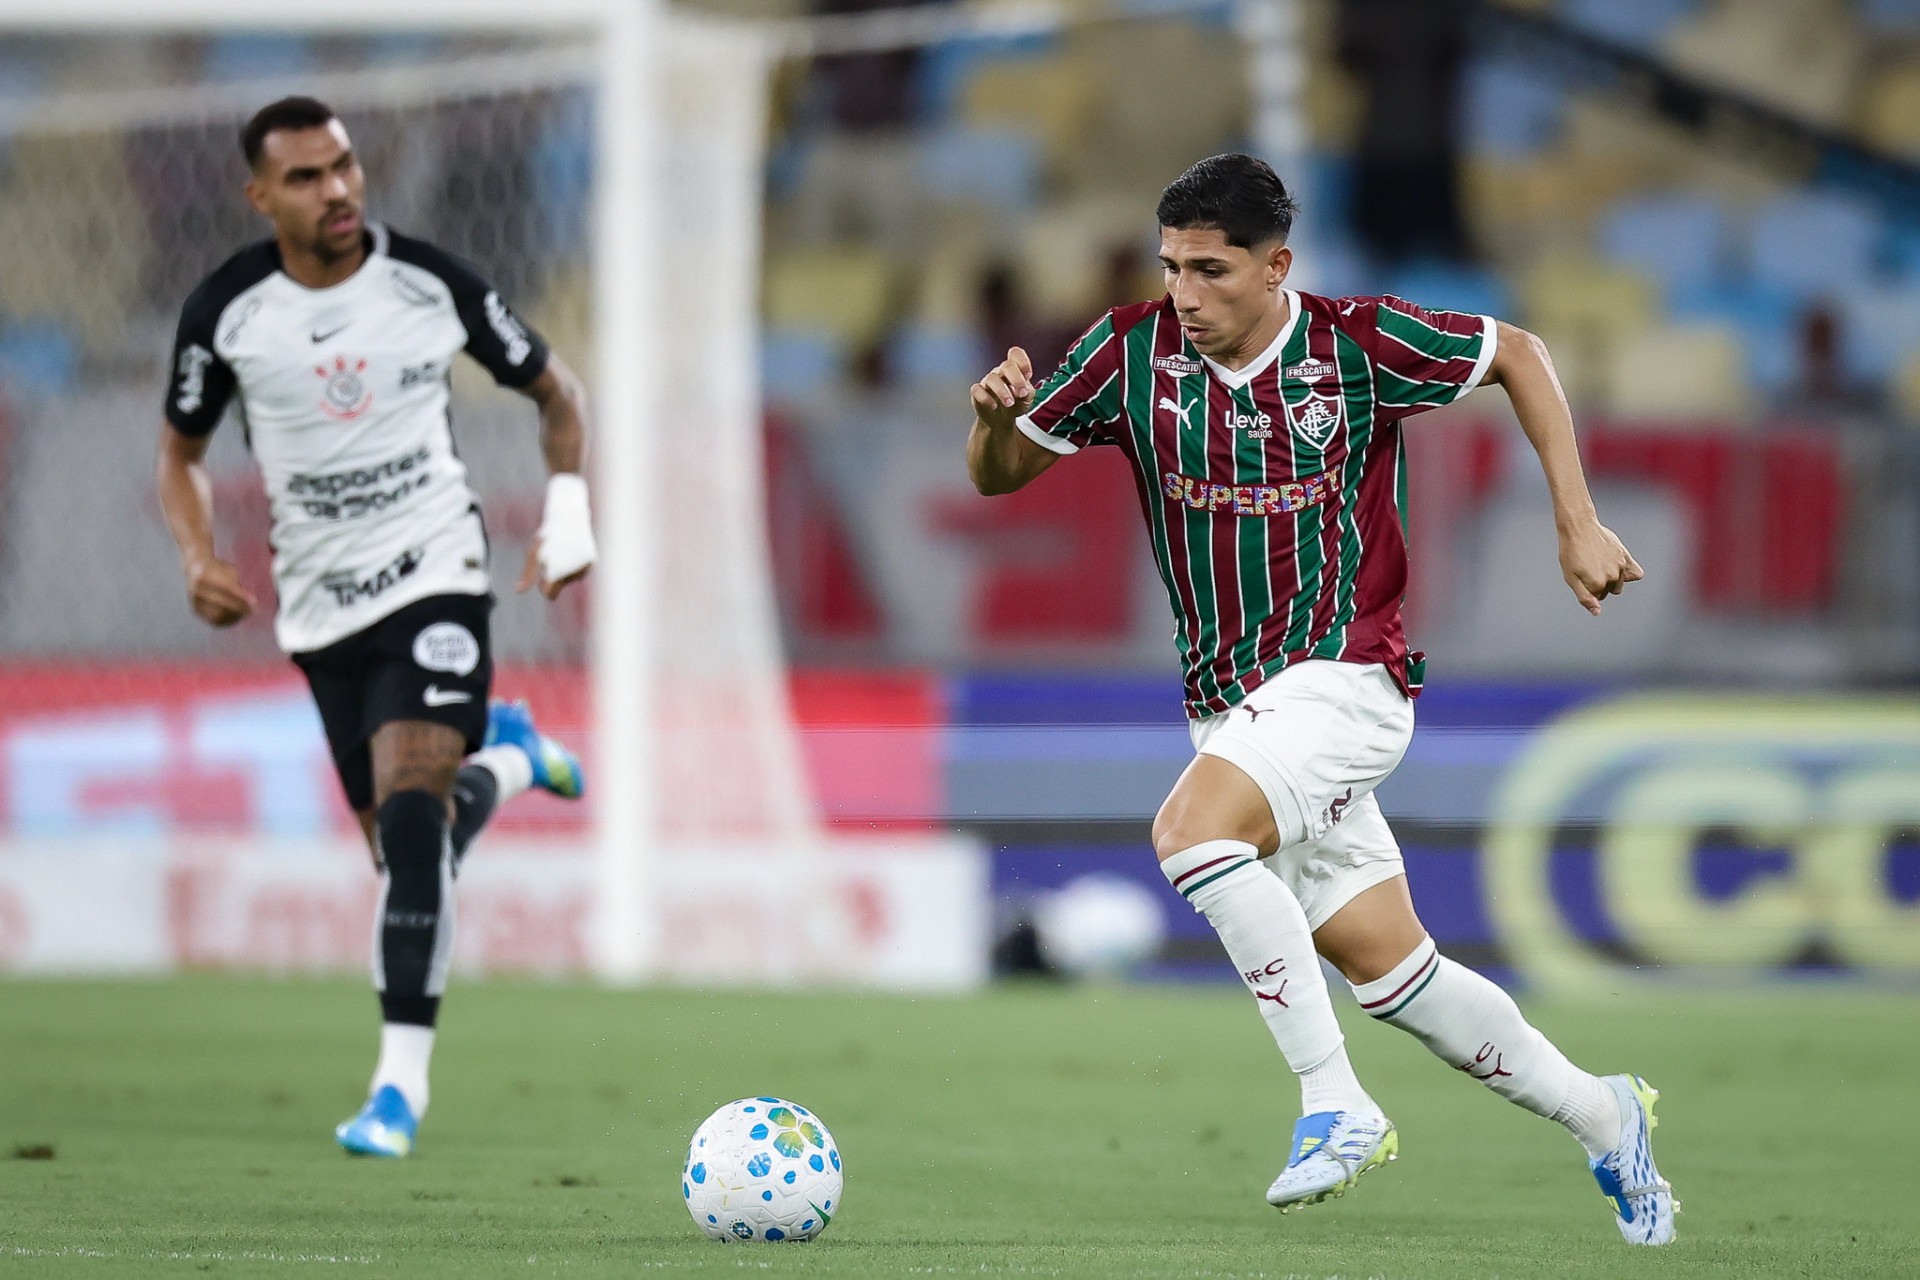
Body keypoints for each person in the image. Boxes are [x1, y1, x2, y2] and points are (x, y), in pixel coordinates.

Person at [965, 154, 1674, 1245]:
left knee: (1190, 834)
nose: (1184, 293)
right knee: (1395, 974)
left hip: (1348, 676)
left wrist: (1575, 519)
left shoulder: (1354, 345)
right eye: (1172, 268)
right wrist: (992, 420)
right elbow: (1001, 474)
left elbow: (1519, 354)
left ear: (1275, 266)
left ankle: (1335, 1101)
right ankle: (1605, 1113)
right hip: (1232, 706)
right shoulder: (1127, 352)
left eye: (1211, 270)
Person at [155, 96, 593, 1159]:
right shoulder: (227, 312)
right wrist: (200, 557)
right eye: (306, 177)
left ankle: (398, 1090)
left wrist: (571, 511)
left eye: (345, 165)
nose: (338, 189)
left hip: (436, 568)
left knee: (408, 825)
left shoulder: (430, 284)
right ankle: (514, 758)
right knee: (411, 855)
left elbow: (558, 394)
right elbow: (179, 455)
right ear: (261, 196)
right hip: (319, 606)